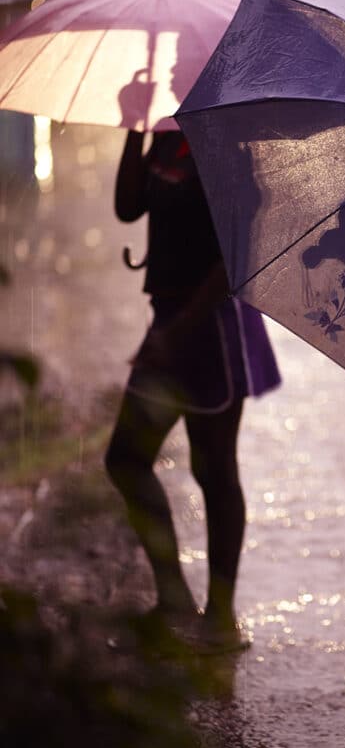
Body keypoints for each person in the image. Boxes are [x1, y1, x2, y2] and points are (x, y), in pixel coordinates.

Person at [105, 129, 280, 649]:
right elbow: (128, 207)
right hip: (169, 323)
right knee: (126, 460)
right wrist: (134, 129)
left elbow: (235, 261)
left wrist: (175, 336)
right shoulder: (166, 134)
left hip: (213, 330)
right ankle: (174, 599)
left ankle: (221, 619)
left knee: (214, 468)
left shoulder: (230, 147)